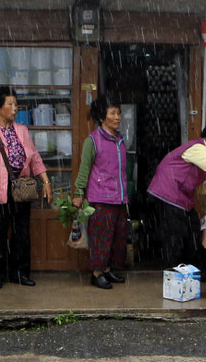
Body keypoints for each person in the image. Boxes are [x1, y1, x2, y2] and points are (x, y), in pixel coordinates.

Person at [0, 87, 52, 290]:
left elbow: (34, 157)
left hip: (21, 189)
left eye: (16, 104)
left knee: (21, 233)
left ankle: (20, 273)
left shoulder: (22, 130)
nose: (15, 108)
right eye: (10, 104)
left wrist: (45, 181)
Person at [147, 123, 206, 272]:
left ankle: (193, 269)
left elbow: (195, 183)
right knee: (175, 235)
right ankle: (175, 272)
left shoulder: (202, 154)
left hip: (178, 197)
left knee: (192, 228)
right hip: (168, 195)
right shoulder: (197, 148)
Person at [73, 95, 128, 290]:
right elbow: (84, 168)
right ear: (102, 117)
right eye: (112, 113)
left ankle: (106, 269)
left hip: (119, 198)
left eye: (118, 112)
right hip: (101, 198)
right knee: (100, 238)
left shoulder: (120, 140)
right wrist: (79, 193)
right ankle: (96, 273)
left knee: (116, 237)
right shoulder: (93, 140)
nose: (117, 117)